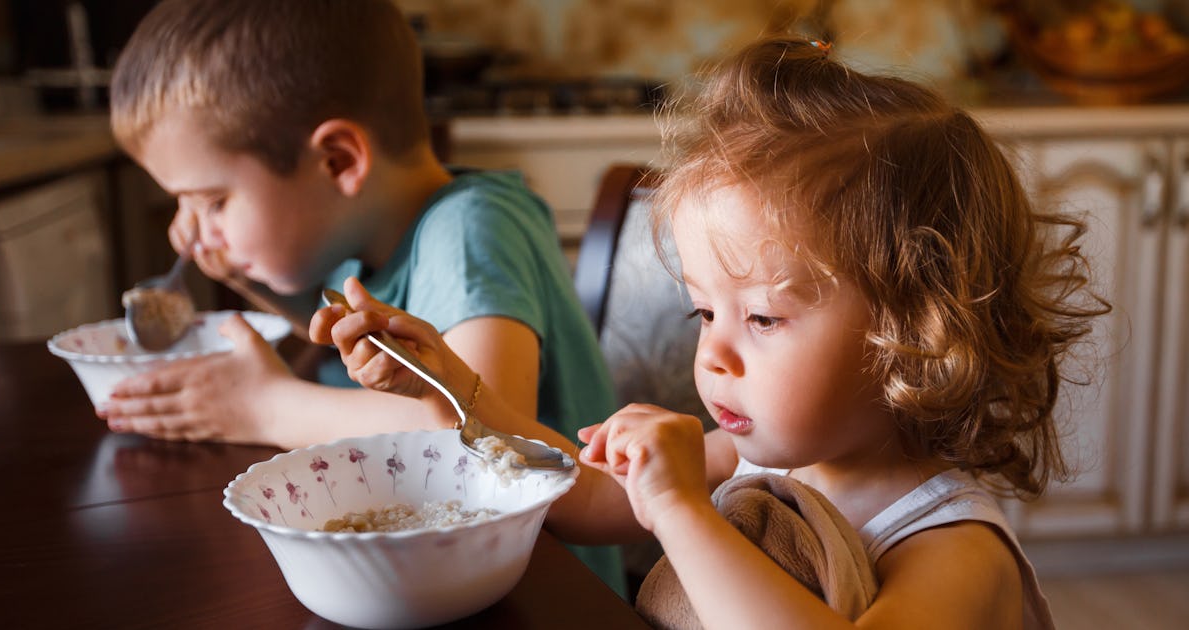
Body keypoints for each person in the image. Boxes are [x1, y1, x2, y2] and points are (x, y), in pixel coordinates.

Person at [311, 36, 1110, 628]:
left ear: (918, 334)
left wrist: (684, 512)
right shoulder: (756, 459)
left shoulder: (952, 546)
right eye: (705, 312)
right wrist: (451, 382)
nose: (715, 354)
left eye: (762, 317)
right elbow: (584, 497)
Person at [101, 0, 624, 595]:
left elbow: (468, 435)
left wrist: (264, 406)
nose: (190, 229)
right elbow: (359, 350)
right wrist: (245, 272)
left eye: (214, 201)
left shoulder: (472, 229)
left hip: (548, 592)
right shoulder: (371, 239)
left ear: (338, 160)